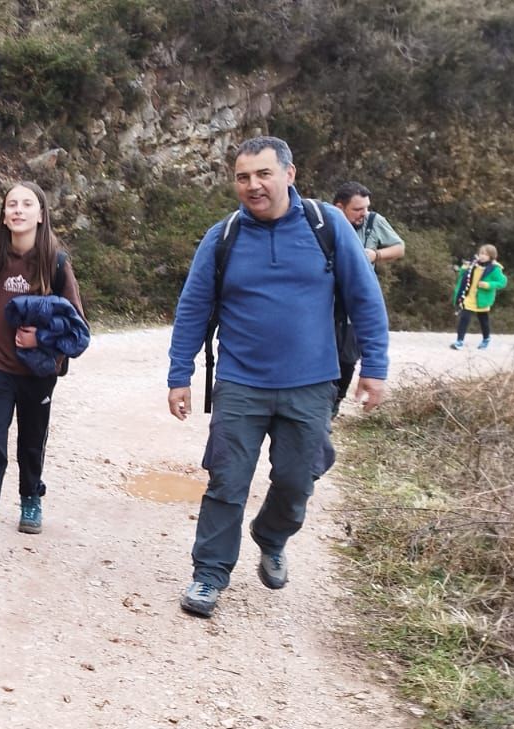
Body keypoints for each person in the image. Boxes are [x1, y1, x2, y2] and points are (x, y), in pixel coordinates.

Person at [167, 137, 390, 618]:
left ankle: (271, 535)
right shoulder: (223, 237)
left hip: (310, 384)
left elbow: (365, 299)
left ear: (289, 174)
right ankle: (209, 575)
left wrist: (375, 367)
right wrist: (178, 373)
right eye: (243, 177)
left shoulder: (326, 226)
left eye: (264, 174)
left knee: (296, 480)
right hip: (240, 384)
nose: (253, 186)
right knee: (226, 481)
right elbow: (192, 309)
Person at [0, 181, 85, 559]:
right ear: (4, 215)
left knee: (31, 439)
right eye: (12, 204)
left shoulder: (56, 261)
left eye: (27, 204)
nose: (18, 210)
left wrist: (40, 339)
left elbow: (76, 324)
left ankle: (31, 496)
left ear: (41, 215)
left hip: (38, 370)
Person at [332, 182, 406, 416]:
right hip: (328, 302)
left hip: (357, 300)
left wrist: (376, 255)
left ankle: (335, 403)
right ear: (339, 207)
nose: (363, 214)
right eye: (357, 209)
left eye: (366, 208)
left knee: (348, 356)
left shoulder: (373, 222)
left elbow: (399, 247)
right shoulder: (324, 224)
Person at [450, 244, 506, 350]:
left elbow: (502, 282)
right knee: (464, 318)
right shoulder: (473, 265)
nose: (482, 256)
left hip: (482, 299)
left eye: (486, 254)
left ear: (491, 256)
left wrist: (488, 285)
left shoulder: (495, 269)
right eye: (481, 253)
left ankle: (486, 338)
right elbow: (462, 276)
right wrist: (464, 268)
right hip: (469, 297)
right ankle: (459, 341)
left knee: (483, 320)